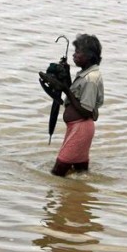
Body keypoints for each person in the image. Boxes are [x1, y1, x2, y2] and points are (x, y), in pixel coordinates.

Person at [43, 34, 104, 177]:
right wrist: (67, 77)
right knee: (80, 173)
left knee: (57, 172)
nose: (74, 55)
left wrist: (64, 88)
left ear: (89, 56)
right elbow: (76, 96)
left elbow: (85, 111)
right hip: (78, 128)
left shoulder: (90, 79)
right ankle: (80, 197)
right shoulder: (85, 74)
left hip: (80, 128)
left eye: (77, 52)